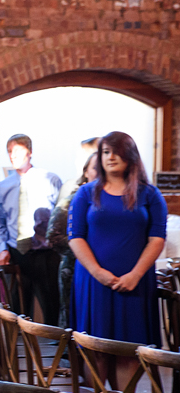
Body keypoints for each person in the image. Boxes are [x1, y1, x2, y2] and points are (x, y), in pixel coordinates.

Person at [68, 131, 166, 346]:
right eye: (106, 152)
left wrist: (135, 275)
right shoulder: (85, 193)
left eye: (117, 152)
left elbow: (157, 238)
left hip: (135, 282)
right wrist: (98, 272)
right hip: (94, 280)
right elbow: (75, 237)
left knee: (130, 350)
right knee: (95, 349)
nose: (111, 157)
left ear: (130, 156)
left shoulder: (150, 194)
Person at [0, 134, 63, 324]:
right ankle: (19, 353)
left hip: (45, 254)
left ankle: (55, 351)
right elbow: (0, 223)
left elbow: (61, 218)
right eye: (9, 152)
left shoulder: (50, 180)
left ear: (30, 152)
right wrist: (3, 249)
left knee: (52, 308)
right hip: (17, 255)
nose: (12, 156)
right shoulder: (3, 187)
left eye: (17, 150)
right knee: (17, 312)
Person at [47, 143, 99, 328]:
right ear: (86, 172)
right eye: (95, 168)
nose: (100, 172)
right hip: (73, 267)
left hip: (102, 268)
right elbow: (53, 236)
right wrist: (85, 248)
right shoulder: (71, 200)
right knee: (73, 318)